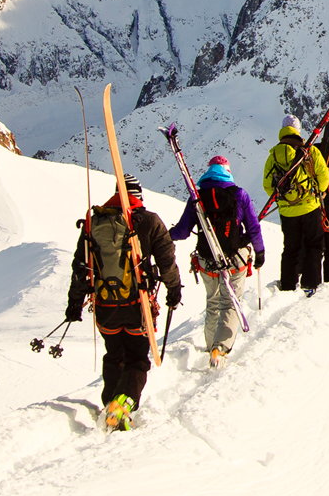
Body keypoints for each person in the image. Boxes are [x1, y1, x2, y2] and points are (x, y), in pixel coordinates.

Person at [66, 174, 181, 431]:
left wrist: (74, 303)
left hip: (105, 306)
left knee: (114, 354)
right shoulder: (149, 221)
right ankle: (123, 404)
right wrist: (174, 290)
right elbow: (167, 261)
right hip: (138, 306)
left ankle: (110, 403)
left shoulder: (94, 222)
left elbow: (81, 266)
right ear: (138, 195)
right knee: (137, 358)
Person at [168, 153, 264, 367]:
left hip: (206, 261)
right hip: (235, 259)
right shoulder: (239, 194)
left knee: (212, 302)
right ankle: (219, 349)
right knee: (230, 303)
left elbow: (183, 231)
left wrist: (165, 235)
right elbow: (253, 227)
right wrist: (259, 253)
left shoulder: (197, 197)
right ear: (228, 172)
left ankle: (210, 343)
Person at [262, 115, 329, 295]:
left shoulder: (273, 155)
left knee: (291, 248)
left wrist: (283, 199)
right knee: (314, 245)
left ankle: (288, 284)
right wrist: (319, 192)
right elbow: (324, 176)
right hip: (310, 206)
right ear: (298, 130)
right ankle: (310, 284)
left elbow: (267, 185)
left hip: (287, 212)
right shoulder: (309, 151)